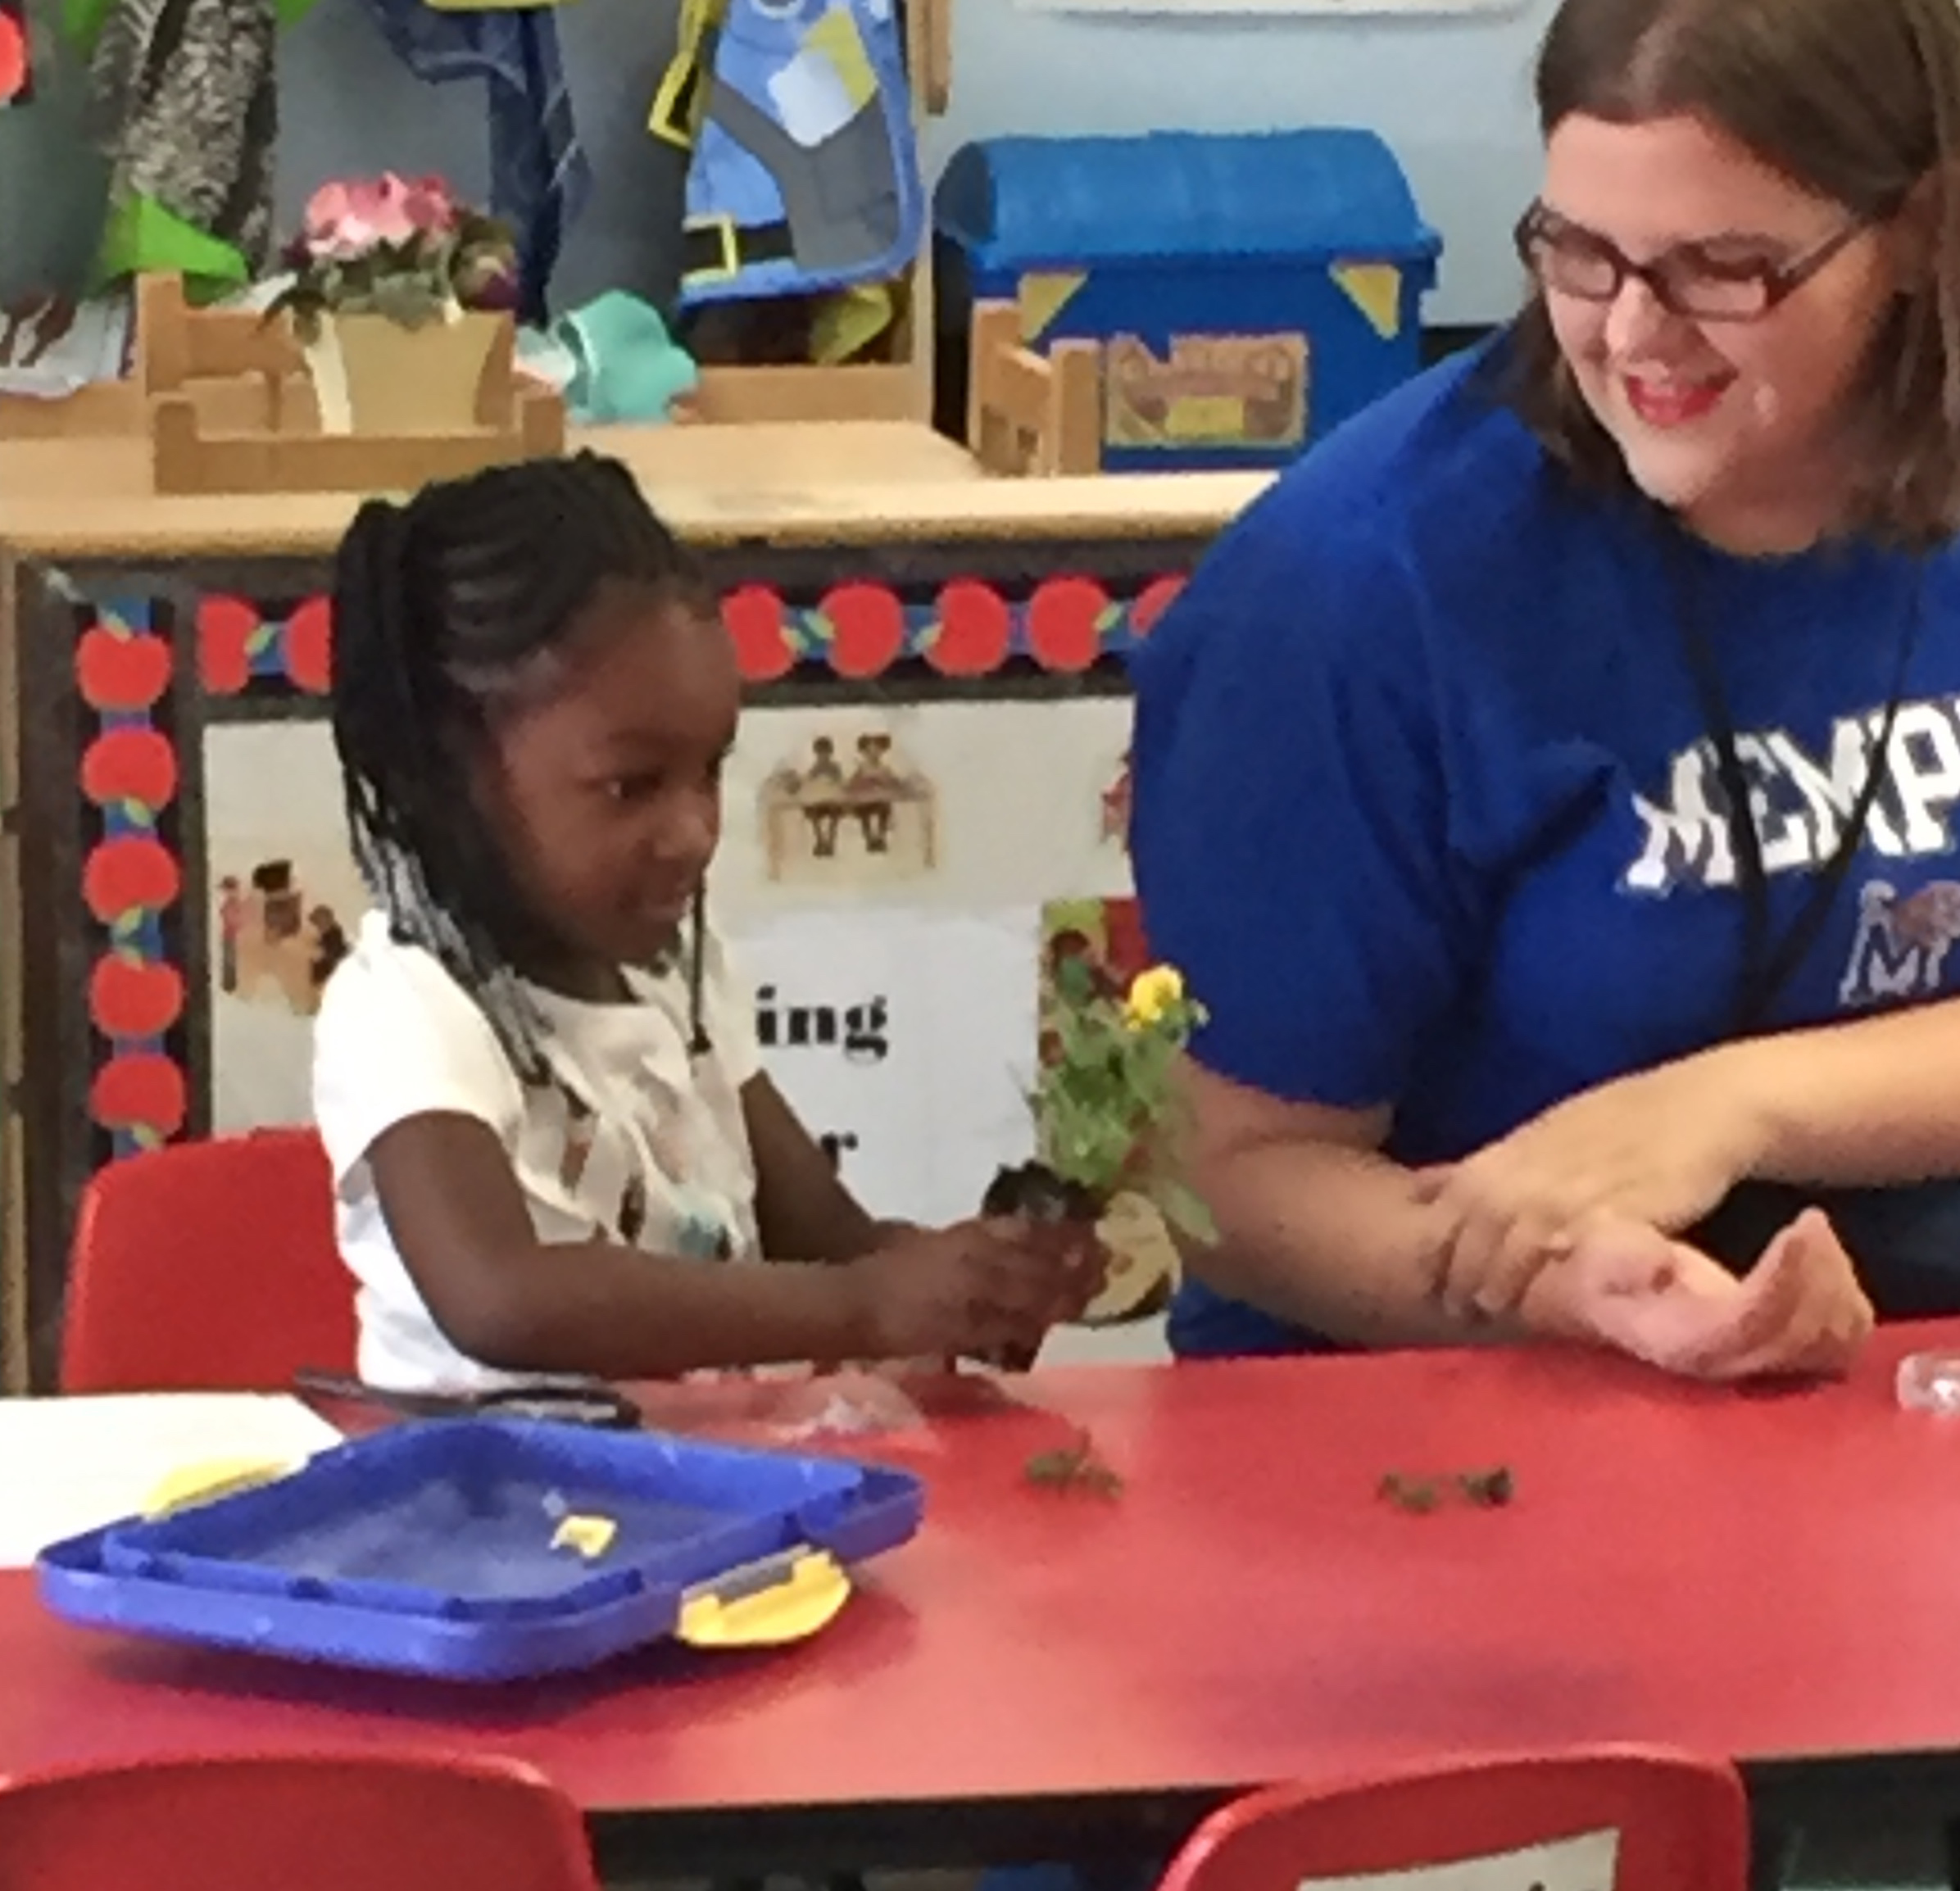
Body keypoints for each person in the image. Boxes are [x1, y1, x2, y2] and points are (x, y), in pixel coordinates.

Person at [1129, 0, 1960, 1378]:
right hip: (1454, 1400)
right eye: (1579, 252)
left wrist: (1739, 1105)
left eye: (1724, 267)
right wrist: (1580, 1290)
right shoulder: (1354, 583)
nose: (1635, 331)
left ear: (1918, 235)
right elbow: (1231, 1178)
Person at [314, 452, 1096, 1392]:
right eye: (631, 785)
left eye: (710, 771)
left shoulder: (677, 973)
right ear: (442, 774)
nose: (693, 832)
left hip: (696, 1503)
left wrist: (981, 1282)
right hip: (489, 1516)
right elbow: (499, 1296)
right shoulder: (409, 1003)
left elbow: (834, 1243)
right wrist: (865, 1303)